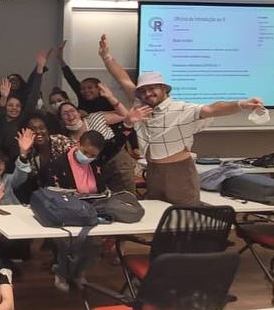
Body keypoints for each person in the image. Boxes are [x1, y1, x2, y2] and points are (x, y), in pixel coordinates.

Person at [100, 34, 265, 205]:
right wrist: (106, 57)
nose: (148, 93)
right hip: (153, 169)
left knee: (185, 216)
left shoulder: (181, 108)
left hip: (178, 170)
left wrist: (241, 104)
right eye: (143, 91)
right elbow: (123, 79)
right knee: (158, 215)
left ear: (164, 88)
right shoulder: (141, 105)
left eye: (152, 88)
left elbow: (213, 108)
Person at [46, 130, 112, 292]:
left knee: (95, 243)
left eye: (92, 155)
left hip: (92, 210)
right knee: (69, 242)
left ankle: (79, 272)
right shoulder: (58, 164)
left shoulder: (96, 164)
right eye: (85, 152)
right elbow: (51, 190)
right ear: (78, 145)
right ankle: (62, 273)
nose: (88, 157)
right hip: (65, 211)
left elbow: (102, 186)